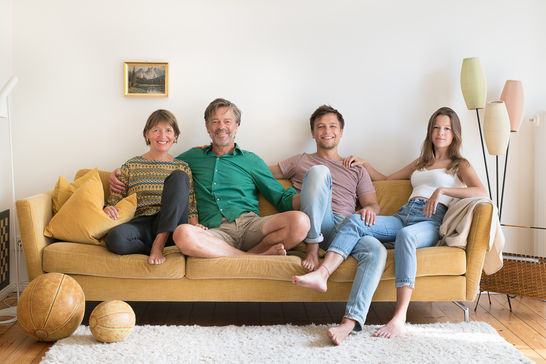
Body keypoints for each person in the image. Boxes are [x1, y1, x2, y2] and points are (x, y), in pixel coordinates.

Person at [293, 106, 487, 344]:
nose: (441, 132)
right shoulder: (422, 162)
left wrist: (443, 190)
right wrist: (364, 164)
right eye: (436, 127)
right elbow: (386, 178)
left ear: (455, 133)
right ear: (430, 131)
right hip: (404, 214)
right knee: (356, 219)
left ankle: (399, 318)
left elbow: (480, 190)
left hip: (430, 220)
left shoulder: (460, 164)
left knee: (406, 236)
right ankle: (323, 274)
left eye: (447, 128)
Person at [110, 98, 310, 258]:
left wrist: (310, 192)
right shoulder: (190, 159)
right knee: (183, 234)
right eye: (215, 122)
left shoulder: (252, 161)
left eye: (227, 121)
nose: (221, 127)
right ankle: (252, 257)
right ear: (207, 127)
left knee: (300, 222)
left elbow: (281, 199)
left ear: (237, 126)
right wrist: (117, 175)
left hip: (251, 226)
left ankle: (251, 253)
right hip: (214, 232)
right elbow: (166, 170)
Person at [269, 105, 379, 271]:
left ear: (341, 132)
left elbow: (373, 204)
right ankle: (312, 249)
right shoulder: (300, 160)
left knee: (376, 251)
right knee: (319, 171)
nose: (327, 131)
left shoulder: (356, 168)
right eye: (321, 127)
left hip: (344, 227)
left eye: (332, 126)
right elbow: (263, 173)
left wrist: (370, 209)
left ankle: (358, 299)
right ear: (313, 133)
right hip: (314, 222)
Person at [104, 109, 201, 265]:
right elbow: (115, 200)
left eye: (168, 130)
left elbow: (191, 205)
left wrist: (195, 226)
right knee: (115, 238)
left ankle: (159, 244)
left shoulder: (183, 167)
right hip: (142, 224)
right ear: (147, 134)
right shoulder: (131, 165)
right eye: (156, 130)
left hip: (174, 226)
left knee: (178, 176)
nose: (163, 136)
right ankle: (152, 248)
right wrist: (107, 208)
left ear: (175, 136)